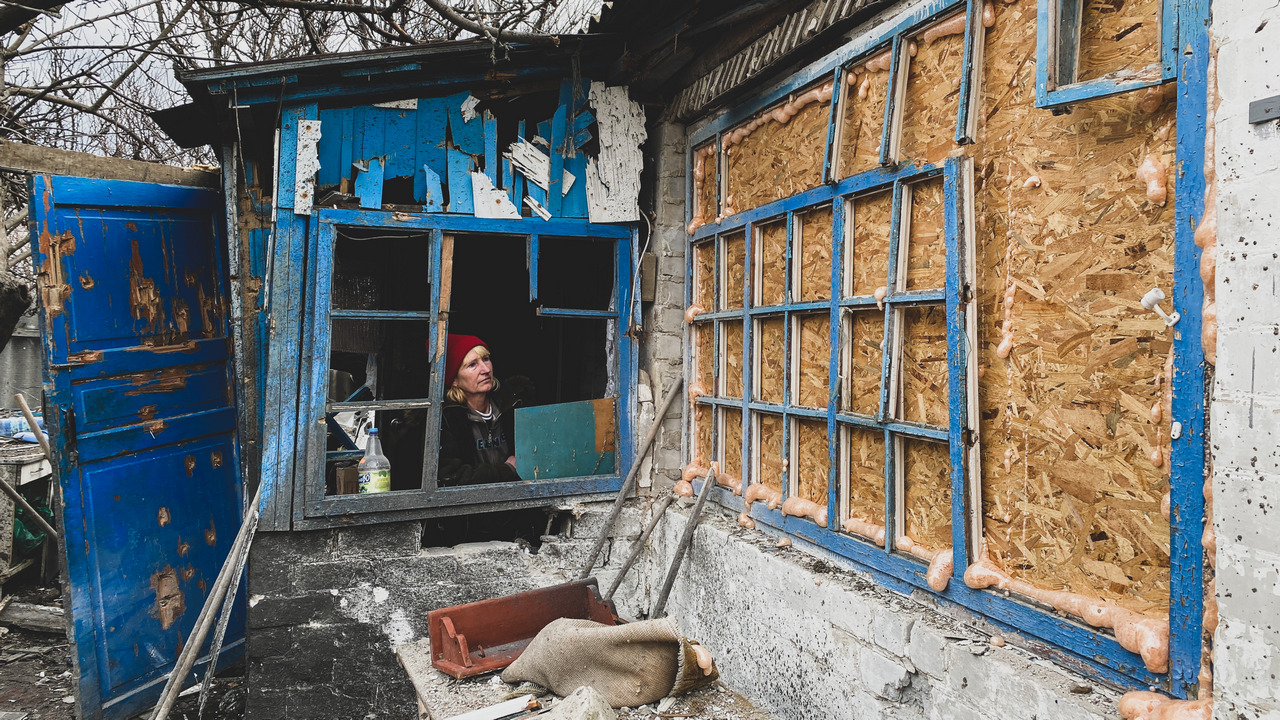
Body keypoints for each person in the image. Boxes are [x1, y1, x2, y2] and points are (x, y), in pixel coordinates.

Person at [438, 334, 522, 485]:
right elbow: (451, 476)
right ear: (455, 380)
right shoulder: (446, 418)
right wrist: (506, 470)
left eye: (486, 359)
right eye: (472, 365)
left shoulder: (511, 405)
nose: (485, 369)